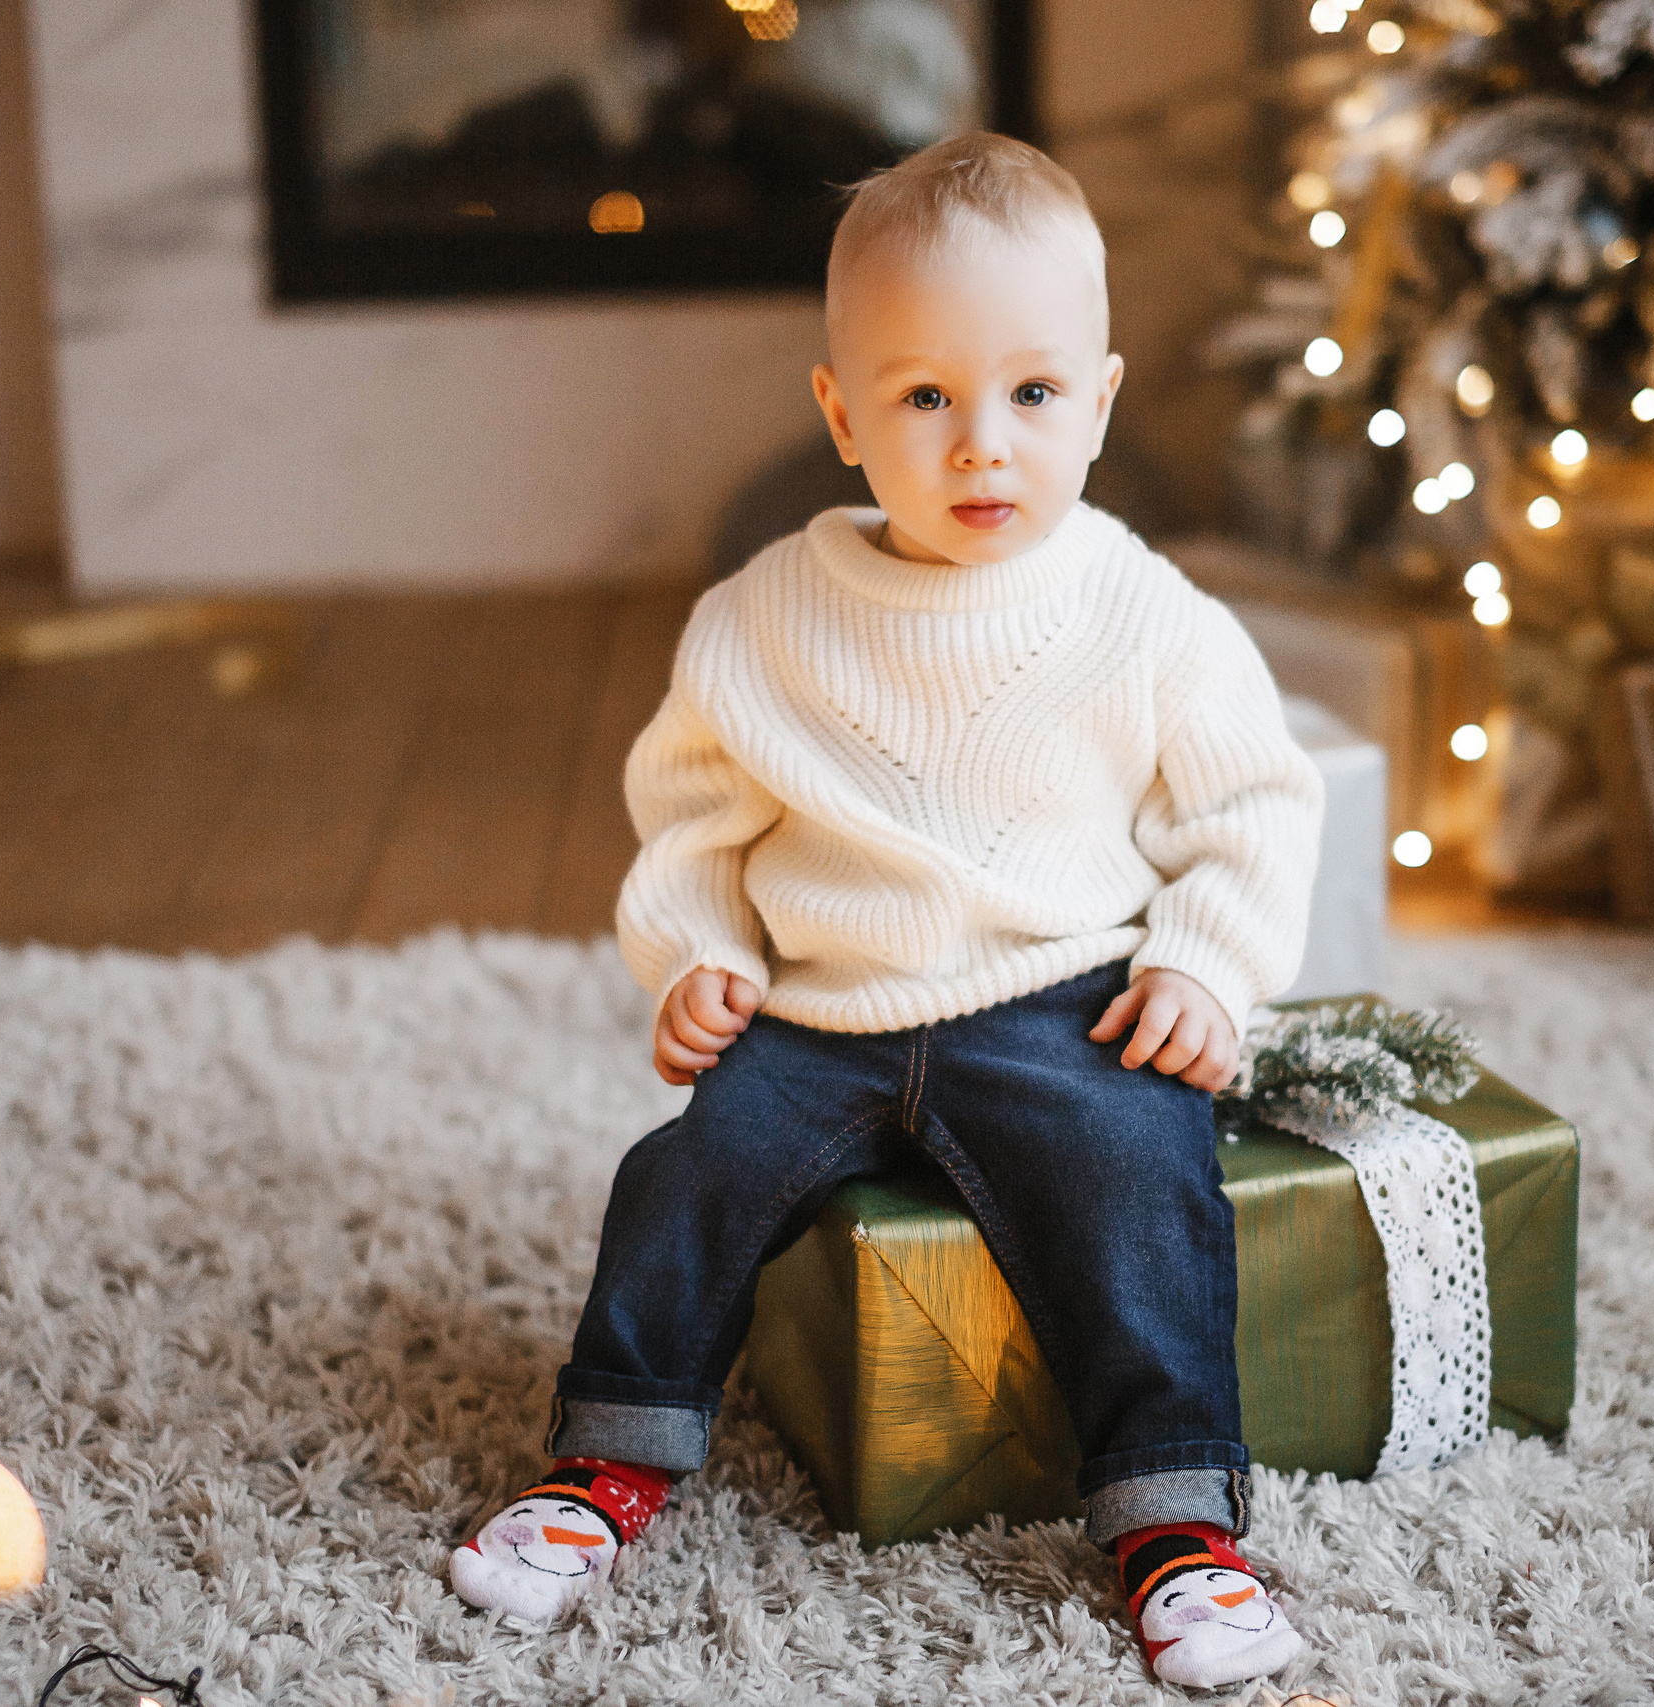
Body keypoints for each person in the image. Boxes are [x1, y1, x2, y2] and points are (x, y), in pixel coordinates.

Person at [447, 130, 1325, 1691]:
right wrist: (702, 955)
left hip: (1062, 996)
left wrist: (1205, 960)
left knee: (1143, 1176)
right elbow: (697, 818)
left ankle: (1176, 1521)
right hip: (821, 1004)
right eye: (926, 397)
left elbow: (1252, 805)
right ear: (842, 415)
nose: (983, 444)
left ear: (1100, 404)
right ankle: (606, 1466)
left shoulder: (1144, 614)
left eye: (1033, 395)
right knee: (689, 1173)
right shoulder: (760, 620)